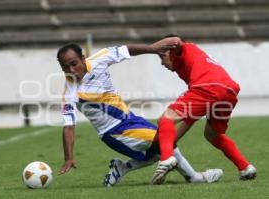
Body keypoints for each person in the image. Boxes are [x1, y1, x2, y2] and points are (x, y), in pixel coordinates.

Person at [56, 43, 223, 187]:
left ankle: (122, 168)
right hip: (114, 131)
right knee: (165, 142)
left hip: (129, 119)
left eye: (74, 64)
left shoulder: (100, 58)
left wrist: (153, 48)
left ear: (83, 58)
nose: (71, 70)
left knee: (160, 148)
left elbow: (126, 50)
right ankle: (194, 178)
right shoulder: (70, 93)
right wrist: (69, 158)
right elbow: (69, 126)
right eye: (65, 67)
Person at [150, 35, 256, 184]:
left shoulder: (182, 49)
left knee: (166, 117)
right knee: (212, 134)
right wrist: (169, 142)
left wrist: (150, 49)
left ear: (171, 50)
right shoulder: (190, 67)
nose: (162, 62)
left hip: (209, 86)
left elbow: (176, 40)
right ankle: (245, 167)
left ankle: (166, 159)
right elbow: (190, 118)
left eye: (162, 56)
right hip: (228, 91)